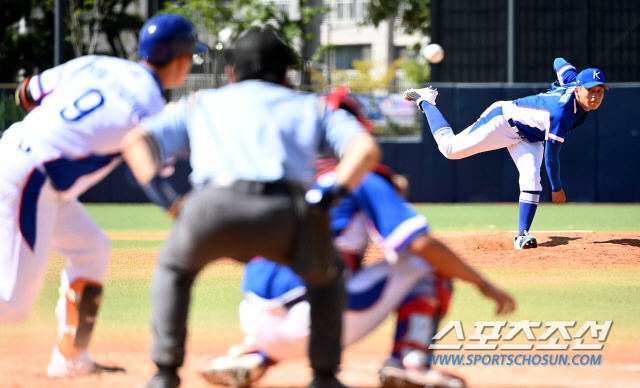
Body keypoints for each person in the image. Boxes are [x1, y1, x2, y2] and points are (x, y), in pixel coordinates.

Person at [197, 89, 515, 388]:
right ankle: (409, 360)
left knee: (302, 261)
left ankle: (250, 352)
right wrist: (483, 284)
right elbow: (419, 243)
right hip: (313, 319)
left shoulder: (280, 174)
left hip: (254, 317)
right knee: (424, 264)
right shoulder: (360, 176)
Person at [120, 29, 382, 388]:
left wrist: (168, 200)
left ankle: (165, 372)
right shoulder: (311, 105)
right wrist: (330, 195)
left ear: (231, 73)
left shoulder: (201, 102)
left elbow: (135, 141)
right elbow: (365, 150)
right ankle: (324, 376)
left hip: (210, 209)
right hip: (283, 212)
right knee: (328, 274)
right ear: (287, 74)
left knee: (174, 270)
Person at [0, 13, 205, 377]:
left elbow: (26, 93)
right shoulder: (153, 110)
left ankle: (72, 359)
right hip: (31, 176)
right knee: (12, 304)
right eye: (190, 59)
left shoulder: (95, 63)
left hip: (19, 157)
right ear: (179, 60)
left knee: (91, 247)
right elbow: (157, 168)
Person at [403, 58, 608, 249]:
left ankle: (522, 236)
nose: (595, 95)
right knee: (450, 149)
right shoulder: (561, 114)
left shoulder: (572, 82)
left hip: (529, 137)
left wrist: (567, 77)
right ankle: (427, 101)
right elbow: (552, 156)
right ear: (579, 89)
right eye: (590, 90)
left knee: (531, 178)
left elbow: (559, 62)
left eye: (600, 91)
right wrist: (557, 188)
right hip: (503, 121)